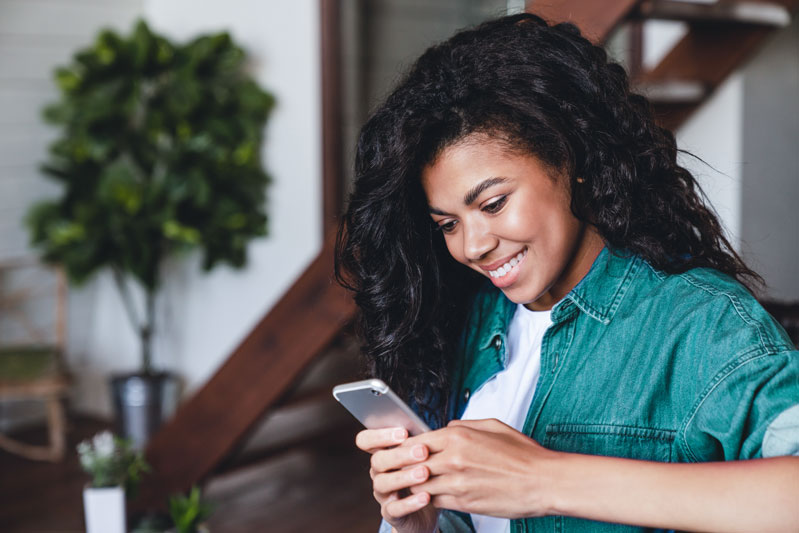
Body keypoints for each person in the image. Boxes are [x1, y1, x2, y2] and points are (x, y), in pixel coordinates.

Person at [334, 13, 799, 533]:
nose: (474, 245)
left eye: (493, 203)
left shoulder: (697, 325)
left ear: (569, 158)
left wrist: (543, 479)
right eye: (447, 223)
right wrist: (417, 523)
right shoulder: (465, 325)